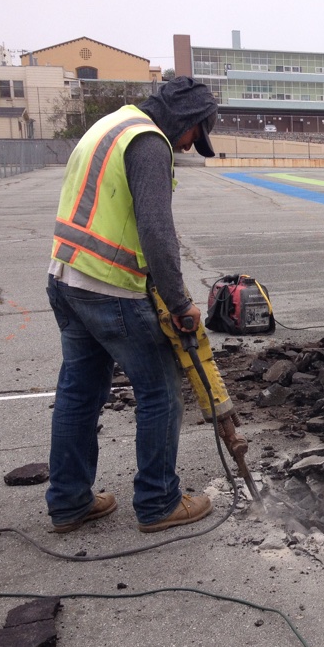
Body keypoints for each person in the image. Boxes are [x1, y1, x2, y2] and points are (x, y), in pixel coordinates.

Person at [46, 77, 219, 534]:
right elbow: (157, 231)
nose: (187, 146)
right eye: (193, 136)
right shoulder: (147, 143)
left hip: (66, 277)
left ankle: (69, 502)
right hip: (110, 288)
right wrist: (180, 301)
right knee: (161, 392)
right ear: (187, 121)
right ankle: (159, 501)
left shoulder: (110, 125)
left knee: (79, 394)